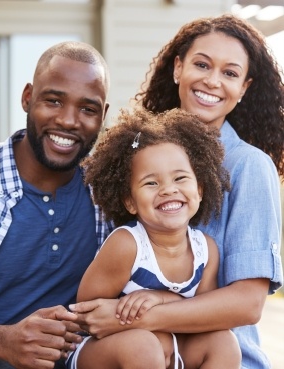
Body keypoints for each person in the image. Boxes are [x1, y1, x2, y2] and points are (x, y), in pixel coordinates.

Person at [70, 14, 284, 369]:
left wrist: (144, 312)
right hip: (136, 352)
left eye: (230, 73)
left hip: (219, 355)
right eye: (202, 64)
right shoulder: (140, 156)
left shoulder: (249, 166)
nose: (212, 81)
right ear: (178, 68)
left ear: (244, 88)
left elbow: (248, 303)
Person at [0, 41, 113, 369]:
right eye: (53, 100)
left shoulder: (109, 193)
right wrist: (3, 341)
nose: (68, 121)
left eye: (88, 109)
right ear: (27, 98)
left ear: (103, 116)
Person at [67, 107, 240, 369]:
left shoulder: (206, 251)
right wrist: (141, 322)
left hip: (171, 349)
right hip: (104, 352)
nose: (169, 189)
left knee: (224, 342)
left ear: (200, 189)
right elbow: (87, 313)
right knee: (143, 346)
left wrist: (161, 300)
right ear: (130, 202)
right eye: (151, 183)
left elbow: (203, 315)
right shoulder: (127, 245)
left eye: (180, 178)